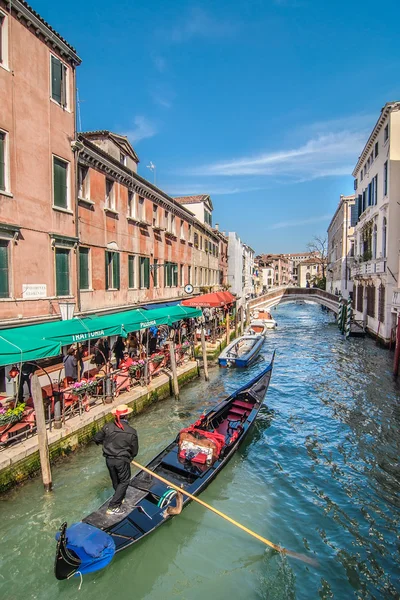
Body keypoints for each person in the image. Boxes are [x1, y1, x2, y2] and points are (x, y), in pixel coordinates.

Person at [94, 404, 138, 514]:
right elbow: (135, 450)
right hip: (121, 460)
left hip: (109, 459)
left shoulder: (107, 427)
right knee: (124, 481)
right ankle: (113, 506)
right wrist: (130, 457)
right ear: (127, 416)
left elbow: (96, 439)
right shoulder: (131, 431)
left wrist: (105, 443)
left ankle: (120, 497)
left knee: (115, 480)